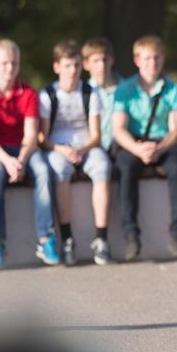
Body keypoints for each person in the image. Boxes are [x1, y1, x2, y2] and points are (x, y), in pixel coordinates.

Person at [0, 39, 60, 270]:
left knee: (42, 169)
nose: (10, 69)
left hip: (23, 150)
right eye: (4, 63)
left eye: (14, 63)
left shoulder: (29, 93)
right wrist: (8, 162)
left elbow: (31, 135)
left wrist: (20, 160)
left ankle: (46, 239)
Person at [112, 35, 177, 260]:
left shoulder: (174, 90)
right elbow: (119, 129)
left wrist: (158, 149)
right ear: (137, 60)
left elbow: (176, 129)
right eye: (146, 58)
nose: (152, 63)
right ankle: (131, 235)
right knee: (125, 168)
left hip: (164, 143)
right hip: (134, 143)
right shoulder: (124, 89)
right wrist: (138, 149)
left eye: (156, 58)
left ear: (162, 59)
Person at [39, 40, 112, 266]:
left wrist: (80, 149)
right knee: (59, 169)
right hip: (57, 147)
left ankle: (101, 239)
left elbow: (96, 135)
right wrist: (61, 149)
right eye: (68, 66)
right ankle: (67, 238)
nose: (73, 71)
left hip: (86, 146)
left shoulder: (91, 93)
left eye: (77, 66)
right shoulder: (47, 94)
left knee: (103, 166)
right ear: (57, 67)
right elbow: (42, 137)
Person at [82, 37, 121, 154]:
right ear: (86, 64)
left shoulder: (126, 89)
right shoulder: (83, 93)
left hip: (121, 149)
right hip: (93, 150)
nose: (102, 65)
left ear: (112, 60)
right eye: (96, 61)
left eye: (105, 60)